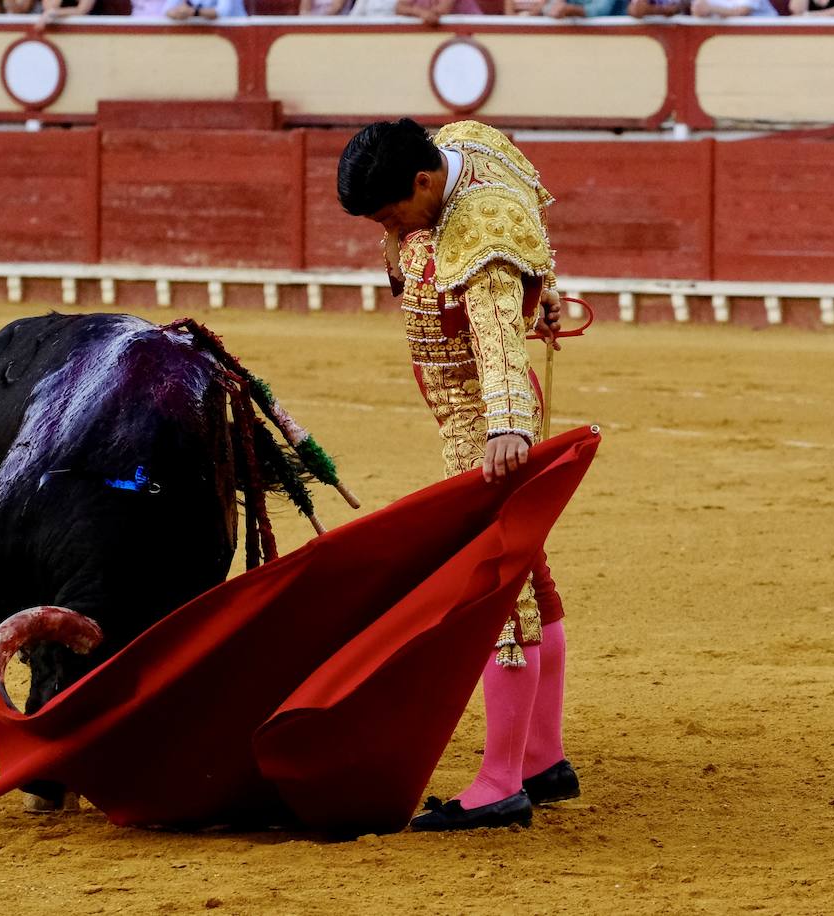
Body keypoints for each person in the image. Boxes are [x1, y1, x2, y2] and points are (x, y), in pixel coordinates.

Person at [337, 118, 579, 831]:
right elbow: (530, 207)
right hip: (474, 413)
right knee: (527, 575)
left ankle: (501, 781)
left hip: (481, 422)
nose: (388, 228)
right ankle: (542, 757)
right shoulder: (470, 141)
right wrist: (552, 285)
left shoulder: (477, 233)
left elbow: (499, 328)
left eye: (390, 214)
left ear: (423, 182)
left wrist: (505, 428)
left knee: (493, 592)